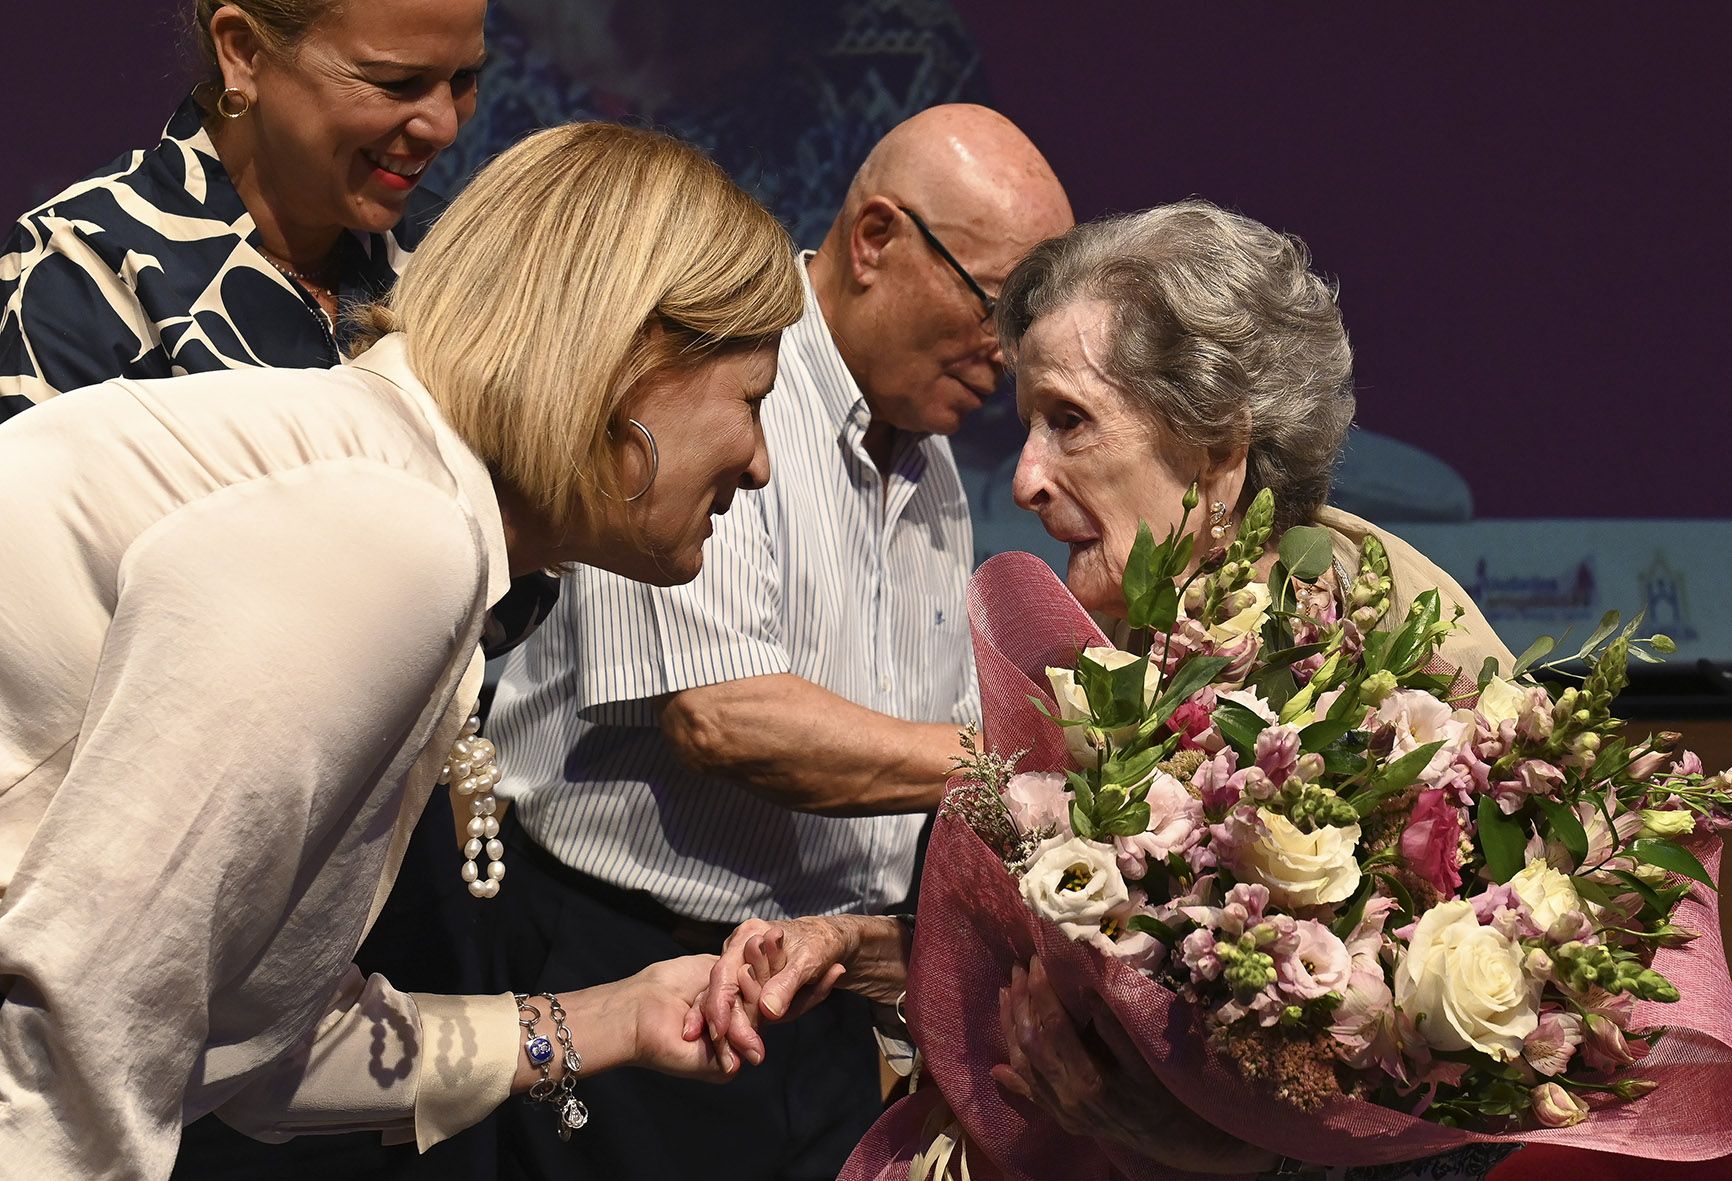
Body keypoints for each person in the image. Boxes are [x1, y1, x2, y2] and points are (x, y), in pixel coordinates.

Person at [0, 121, 805, 1181]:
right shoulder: (392, 529)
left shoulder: (393, 489)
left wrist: (618, 1014)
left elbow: (244, 1042)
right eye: (752, 400)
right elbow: (83, 1030)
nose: (759, 462)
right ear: (632, 360)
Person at [692, 200, 1519, 1180]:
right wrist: (858, 948)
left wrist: (1208, 1151)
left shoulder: (1392, 661)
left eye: (1069, 421)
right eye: (1026, 427)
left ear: (1217, 449)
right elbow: (1093, 973)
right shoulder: (1127, 642)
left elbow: (1479, 1108)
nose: (1026, 478)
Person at [482, 103, 1073, 1180]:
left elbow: (918, 746)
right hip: (629, 968)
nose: (1007, 354)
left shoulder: (936, 469)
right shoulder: (702, 371)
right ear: (876, 238)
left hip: (822, 997)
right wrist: (1037, 769)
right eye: (994, 305)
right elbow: (724, 715)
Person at [0, 0, 486, 416]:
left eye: (464, 77)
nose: (444, 126)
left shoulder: (458, 253)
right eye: (397, 82)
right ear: (243, 51)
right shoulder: (82, 266)